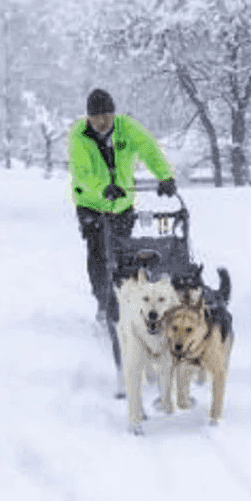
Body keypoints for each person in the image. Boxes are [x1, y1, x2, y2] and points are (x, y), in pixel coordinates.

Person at [67, 87, 176, 328]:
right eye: (98, 117)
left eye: (108, 116)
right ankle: (103, 302)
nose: (103, 122)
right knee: (98, 253)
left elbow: (149, 149)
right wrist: (104, 188)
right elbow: (82, 174)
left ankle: (126, 299)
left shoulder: (127, 128)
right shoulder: (78, 136)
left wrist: (165, 176)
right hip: (91, 204)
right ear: (89, 118)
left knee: (123, 253)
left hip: (123, 204)